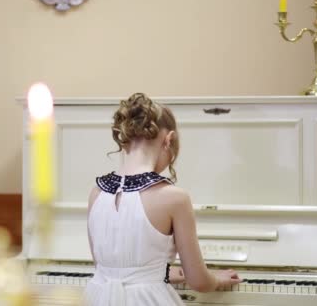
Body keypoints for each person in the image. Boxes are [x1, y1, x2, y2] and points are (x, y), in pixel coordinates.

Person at [83, 93, 241, 306]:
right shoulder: (174, 198)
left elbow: (109, 267)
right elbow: (199, 281)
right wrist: (217, 280)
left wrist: (161, 272)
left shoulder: (96, 193)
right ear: (169, 140)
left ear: (125, 138)